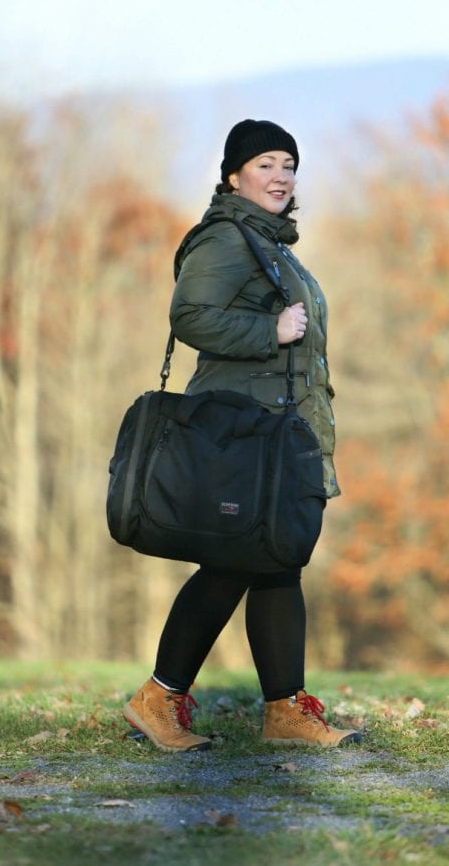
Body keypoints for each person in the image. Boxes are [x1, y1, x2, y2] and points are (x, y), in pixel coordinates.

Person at [123, 119, 352, 752]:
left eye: (288, 164)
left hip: (280, 432)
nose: (280, 176)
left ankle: (284, 711)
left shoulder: (272, 244)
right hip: (239, 433)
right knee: (233, 561)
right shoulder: (226, 238)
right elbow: (190, 314)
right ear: (234, 176)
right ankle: (157, 696)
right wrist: (269, 332)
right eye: (265, 165)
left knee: (277, 558)